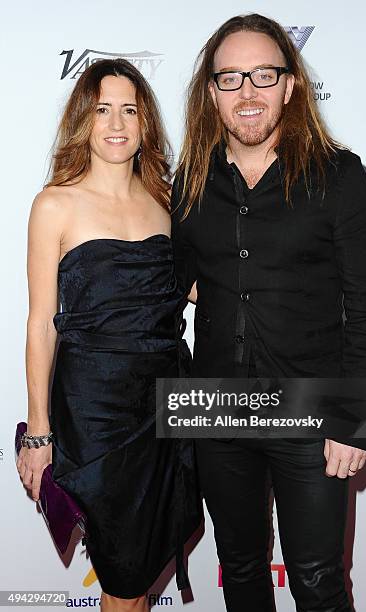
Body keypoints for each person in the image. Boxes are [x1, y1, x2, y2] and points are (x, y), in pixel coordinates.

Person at [171, 14, 366, 612]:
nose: (248, 93)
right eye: (230, 78)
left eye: (263, 75)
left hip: (314, 410)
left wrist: (354, 423)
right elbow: (176, 274)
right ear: (211, 93)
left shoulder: (338, 175)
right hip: (217, 407)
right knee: (239, 569)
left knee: (318, 579)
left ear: (290, 86)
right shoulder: (191, 179)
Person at [16, 58, 202, 612]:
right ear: (83, 120)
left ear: (145, 122)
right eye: (102, 110)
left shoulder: (170, 204)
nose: (116, 123)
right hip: (95, 413)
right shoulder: (56, 204)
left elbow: (194, 292)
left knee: (140, 571)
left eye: (129, 109)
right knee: (123, 572)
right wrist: (40, 433)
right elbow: (40, 323)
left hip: (168, 404)